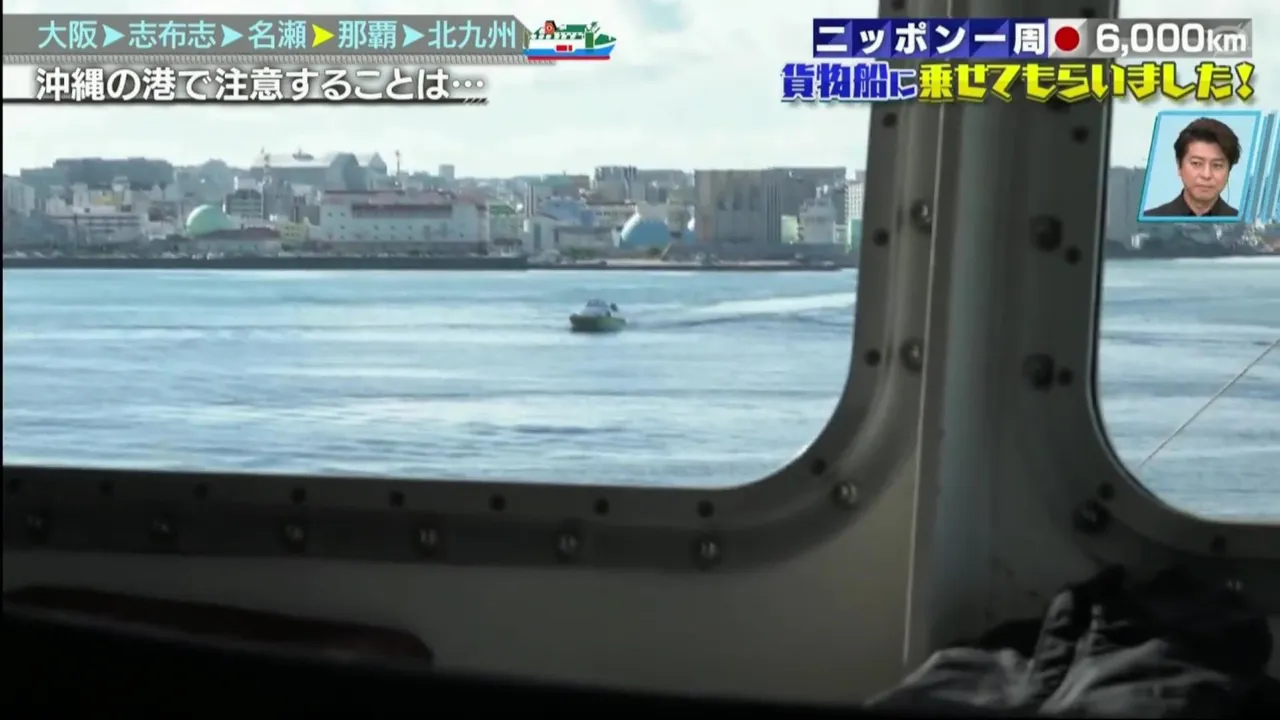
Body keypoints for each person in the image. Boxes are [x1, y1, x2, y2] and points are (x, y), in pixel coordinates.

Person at [1142, 117, 1242, 218]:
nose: (1206, 175)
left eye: (1217, 165)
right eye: (1196, 163)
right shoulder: (1150, 220)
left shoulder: (1243, 224)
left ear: (1229, 169)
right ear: (1179, 165)